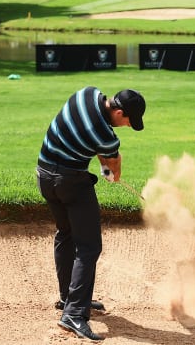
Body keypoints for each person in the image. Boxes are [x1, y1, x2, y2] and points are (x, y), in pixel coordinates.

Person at [36, 87, 146, 342]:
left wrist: (105, 166)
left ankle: (68, 298)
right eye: (129, 121)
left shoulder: (85, 94)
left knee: (66, 234)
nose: (128, 126)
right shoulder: (108, 137)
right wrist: (111, 173)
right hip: (69, 182)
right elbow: (112, 167)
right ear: (119, 113)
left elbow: (95, 141)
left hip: (44, 175)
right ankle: (74, 314)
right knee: (89, 246)